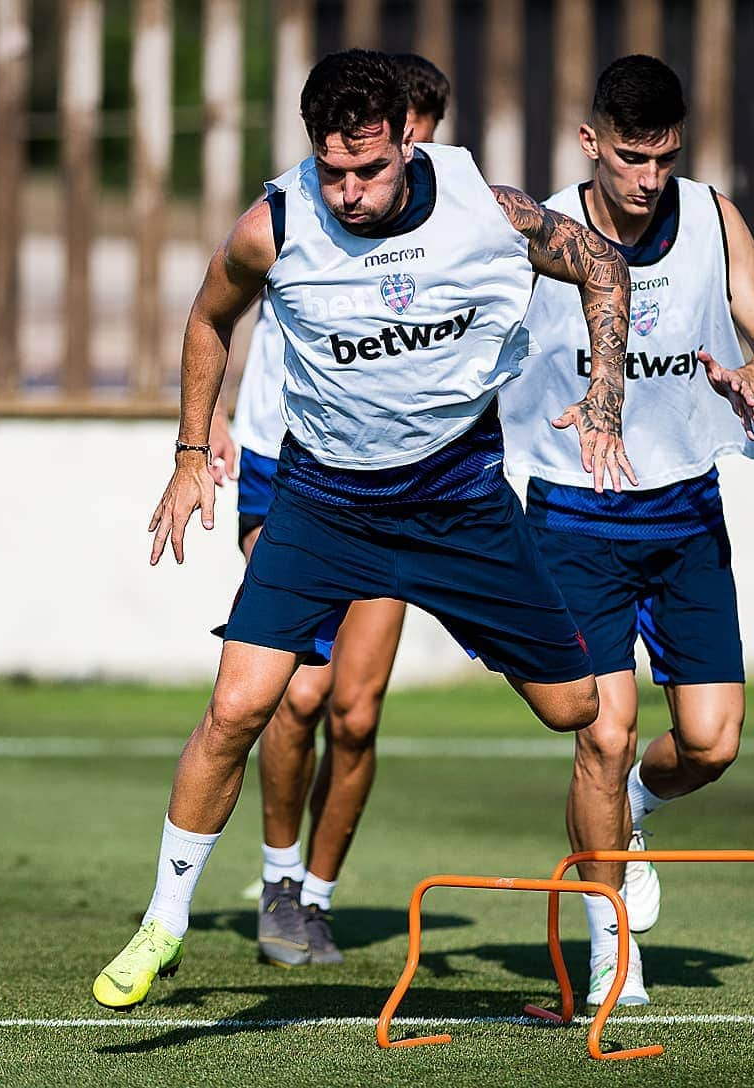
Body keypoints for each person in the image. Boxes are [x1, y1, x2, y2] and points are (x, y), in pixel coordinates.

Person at [92, 48, 636, 1011]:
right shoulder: (276, 225)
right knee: (239, 707)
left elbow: (600, 262)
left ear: (407, 145)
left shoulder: (488, 211)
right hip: (324, 503)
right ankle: (163, 924)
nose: (348, 192)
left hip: (459, 500)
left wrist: (604, 395)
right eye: (332, 170)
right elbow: (208, 316)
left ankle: (618, 855)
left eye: (369, 170)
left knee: (578, 711)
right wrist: (188, 451)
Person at [499, 54, 754, 1007]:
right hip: (576, 515)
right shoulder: (542, 229)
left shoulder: (712, 216)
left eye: (664, 159)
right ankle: (609, 954)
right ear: (593, 143)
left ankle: (628, 810)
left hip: (686, 511)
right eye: (631, 158)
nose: (648, 179)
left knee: (711, 745)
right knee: (603, 733)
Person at [229, 53, 450, 969]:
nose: (386, 181)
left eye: (414, 153)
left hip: (398, 482)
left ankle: (316, 899)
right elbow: (217, 311)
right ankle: (278, 881)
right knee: (302, 691)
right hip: (286, 468)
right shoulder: (295, 209)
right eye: (396, 150)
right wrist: (193, 444)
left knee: (355, 711)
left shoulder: (447, 219)